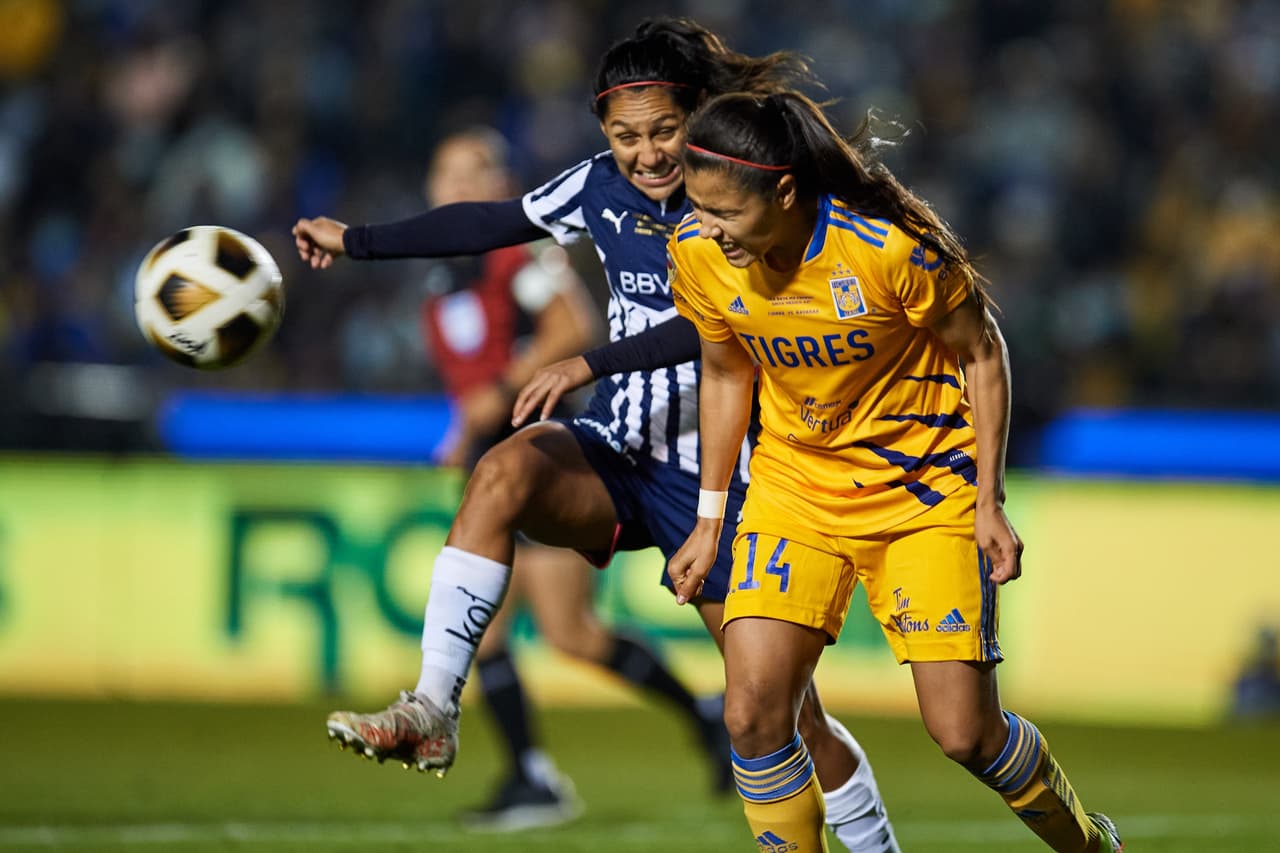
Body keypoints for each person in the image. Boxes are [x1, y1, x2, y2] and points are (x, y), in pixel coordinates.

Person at [293, 19, 899, 852]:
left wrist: (588, 360)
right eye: (625, 137)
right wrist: (355, 240)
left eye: (663, 132)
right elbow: (489, 223)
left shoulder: (741, 194)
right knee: (502, 472)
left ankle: (872, 841)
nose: (646, 154)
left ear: (699, 116)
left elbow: (720, 326)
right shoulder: (595, 188)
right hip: (620, 449)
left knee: (778, 714)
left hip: (732, 479)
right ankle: (433, 707)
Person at [661, 89, 1125, 852]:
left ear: (783, 190)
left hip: (921, 495)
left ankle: (1088, 844)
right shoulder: (700, 252)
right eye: (697, 207)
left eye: (723, 212)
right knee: (751, 712)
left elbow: (982, 353)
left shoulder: (887, 248)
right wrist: (710, 521)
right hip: (795, 490)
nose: (707, 228)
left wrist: (988, 501)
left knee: (963, 732)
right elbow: (723, 373)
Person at [418, 125, 689, 831]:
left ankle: (708, 720)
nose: (457, 187)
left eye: (472, 173)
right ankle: (530, 775)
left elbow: (577, 322)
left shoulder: (521, 253)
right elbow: (477, 369)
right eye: (447, 174)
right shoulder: (444, 273)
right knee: (493, 634)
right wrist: (465, 425)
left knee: (571, 633)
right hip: (492, 463)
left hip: (548, 464)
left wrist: (500, 392)